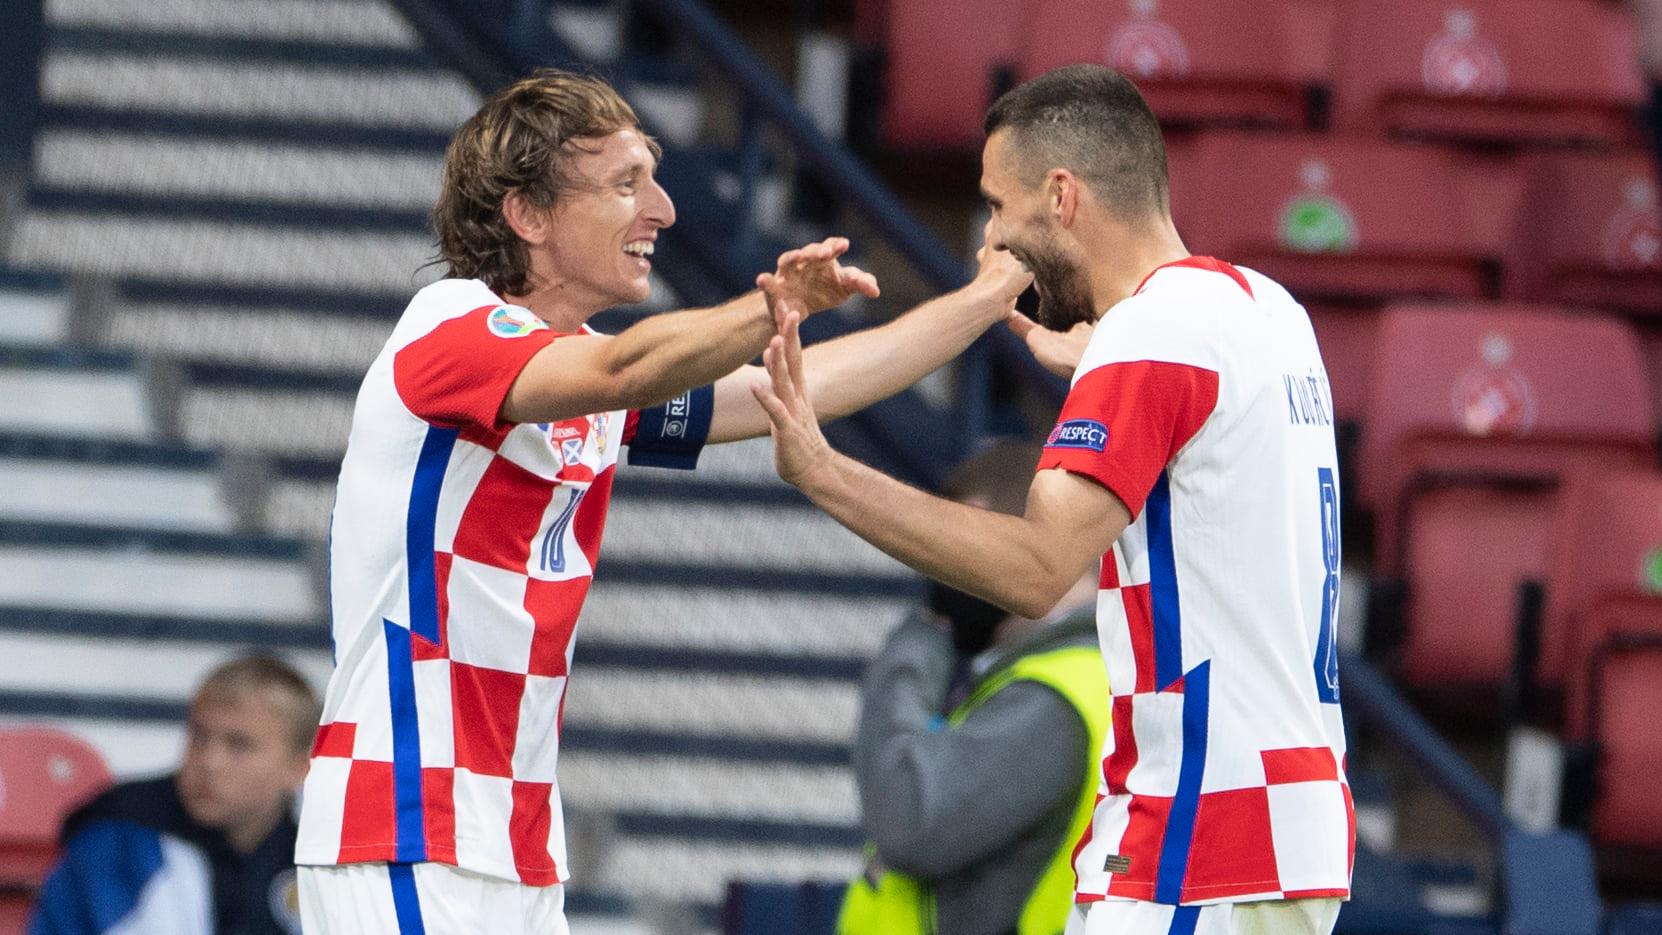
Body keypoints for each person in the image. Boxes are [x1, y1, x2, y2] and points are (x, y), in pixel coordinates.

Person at [294, 68, 1031, 933]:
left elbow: (801, 388)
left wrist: (985, 298)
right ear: (527, 215)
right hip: (405, 824)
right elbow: (623, 367)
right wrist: (776, 303)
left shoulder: (577, 380)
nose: (665, 210)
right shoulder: (449, 325)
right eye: (624, 183)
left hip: (511, 841)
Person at [753, 64, 1353, 935]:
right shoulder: (1268, 311)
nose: (990, 239)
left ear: (1062, 197)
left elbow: (1037, 569)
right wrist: (1104, 359)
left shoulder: (1153, 337)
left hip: (1194, 841)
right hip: (1288, 827)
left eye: (1000, 207)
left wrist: (823, 470)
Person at [837, 439, 1108, 935]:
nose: (943, 565)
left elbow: (910, 818)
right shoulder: (1065, 674)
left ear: (987, 525)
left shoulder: (1054, 695)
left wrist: (922, 637)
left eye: (954, 543)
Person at [30, 656, 320, 935]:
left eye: (239, 744)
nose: (209, 761)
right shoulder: (119, 837)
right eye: (199, 736)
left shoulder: (321, 855)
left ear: (300, 767)